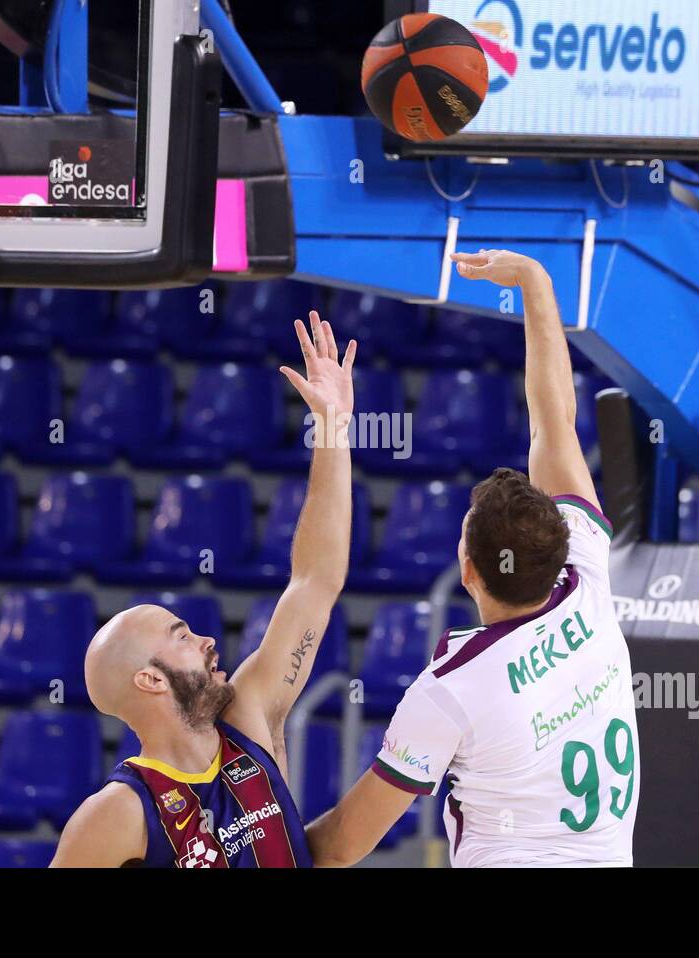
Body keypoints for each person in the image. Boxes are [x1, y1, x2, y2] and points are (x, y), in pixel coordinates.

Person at [306, 250, 639, 867]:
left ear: (468, 572)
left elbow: (340, 846)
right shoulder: (588, 576)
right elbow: (553, 422)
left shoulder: (451, 690)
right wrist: (536, 284)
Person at [51, 313, 356, 868]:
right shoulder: (118, 814)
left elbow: (316, 582)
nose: (208, 640)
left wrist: (333, 428)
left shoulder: (250, 720)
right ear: (149, 678)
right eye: (182, 636)